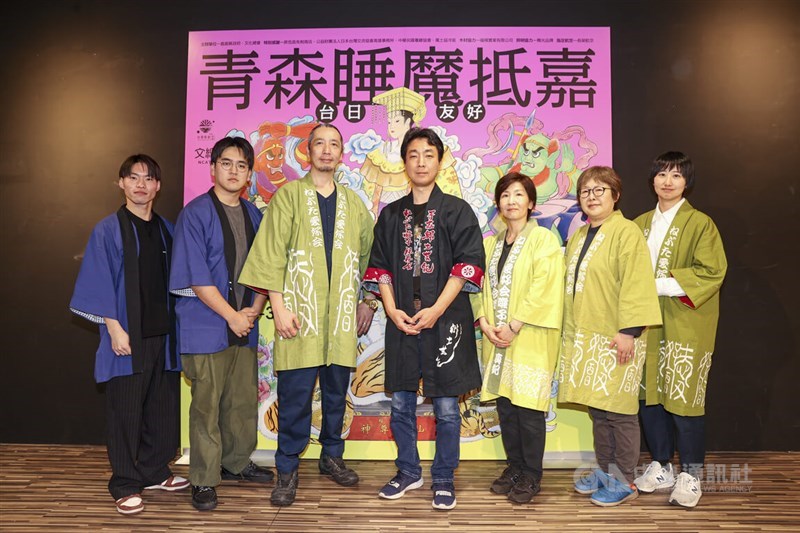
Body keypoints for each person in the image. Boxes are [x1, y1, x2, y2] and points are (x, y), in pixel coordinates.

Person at [238, 123, 376, 507]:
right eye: (320, 143)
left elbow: (370, 258)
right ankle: (286, 469)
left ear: (342, 152)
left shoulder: (354, 203)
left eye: (334, 144)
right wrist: (278, 307)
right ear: (308, 151)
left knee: (336, 395)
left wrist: (368, 301)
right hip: (299, 317)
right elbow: (270, 254)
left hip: (341, 321)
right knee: (296, 397)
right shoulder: (289, 197)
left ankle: (332, 456)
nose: (327, 151)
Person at [364, 127, 485, 511]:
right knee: (401, 402)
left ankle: (444, 476)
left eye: (428, 154)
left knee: (447, 407)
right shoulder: (390, 214)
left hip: (446, 320)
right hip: (401, 320)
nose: (420, 162)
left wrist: (435, 310)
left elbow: (467, 267)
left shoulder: (457, 210)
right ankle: (408, 471)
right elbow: (379, 268)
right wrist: (390, 308)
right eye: (413, 154)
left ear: (440, 160)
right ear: (405, 162)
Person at [69, 154, 188, 515]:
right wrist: (114, 327)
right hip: (127, 336)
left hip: (163, 335)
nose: (141, 184)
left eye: (149, 178)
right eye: (133, 177)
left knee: (161, 408)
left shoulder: (167, 228)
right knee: (125, 410)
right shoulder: (108, 229)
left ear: (158, 186)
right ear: (121, 183)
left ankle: (152, 470)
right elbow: (98, 279)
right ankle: (123, 481)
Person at [169, 136, 272, 511]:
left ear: (249, 174)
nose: (234, 171)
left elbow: (266, 270)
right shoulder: (195, 214)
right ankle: (203, 478)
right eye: (226, 163)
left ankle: (237, 463)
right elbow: (196, 276)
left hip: (245, 323)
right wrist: (232, 315)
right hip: (207, 324)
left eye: (242, 165)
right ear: (212, 168)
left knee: (242, 402)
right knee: (207, 407)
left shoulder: (255, 214)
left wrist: (253, 312)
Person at [557, 166, 662, 507]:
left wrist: (629, 331)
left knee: (619, 412)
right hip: (587, 336)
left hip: (618, 336)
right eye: (586, 191)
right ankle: (605, 471)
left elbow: (637, 283)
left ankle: (624, 479)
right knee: (599, 411)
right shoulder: (578, 236)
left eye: (600, 190)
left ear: (615, 196)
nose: (592, 196)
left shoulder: (627, 232)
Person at [632, 152, 727, 508]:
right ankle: (661, 465)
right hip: (645, 324)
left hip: (685, 323)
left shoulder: (701, 224)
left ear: (687, 182)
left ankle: (690, 474)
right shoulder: (638, 223)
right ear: (652, 179)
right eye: (661, 174)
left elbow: (711, 272)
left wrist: (656, 286)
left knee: (684, 400)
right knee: (649, 398)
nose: (667, 181)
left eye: (675, 175)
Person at [473, 172, 565, 504]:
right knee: (507, 407)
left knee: (528, 410)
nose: (511, 201)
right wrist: (484, 322)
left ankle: (531, 474)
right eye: (505, 195)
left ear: (530, 202)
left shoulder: (543, 240)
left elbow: (545, 287)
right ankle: (514, 466)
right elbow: (479, 287)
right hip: (496, 339)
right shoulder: (490, 244)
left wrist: (514, 325)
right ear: (498, 203)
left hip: (529, 337)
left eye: (518, 195)